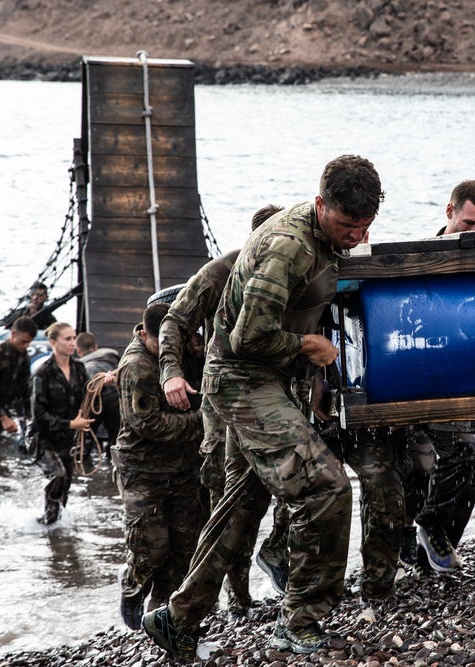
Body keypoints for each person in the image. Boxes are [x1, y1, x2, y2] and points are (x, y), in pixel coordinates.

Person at [142, 155, 384, 661]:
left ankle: (177, 617)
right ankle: (301, 619)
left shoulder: (324, 236)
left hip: (274, 381)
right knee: (327, 487)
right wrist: (307, 348)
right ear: (320, 205)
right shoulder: (288, 248)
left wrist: (312, 375)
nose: (356, 238)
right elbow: (247, 338)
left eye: (365, 227)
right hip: (242, 380)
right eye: (346, 226)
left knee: (244, 506)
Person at [158, 204, 282, 619]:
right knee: (226, 502)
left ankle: (272, 571)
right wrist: (171, 373)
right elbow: (174, 319)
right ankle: (237, 598)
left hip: (273, 399)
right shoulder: (221, 271)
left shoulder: (291, 266)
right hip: (222, 405)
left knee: (273, 493)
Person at [407, 180, 475, 573]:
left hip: (473, 375)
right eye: (469, 224)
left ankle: (439, 545)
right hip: (429, 377)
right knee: (457, 453)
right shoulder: (423, 256)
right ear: (449, 212)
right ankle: (424, 528)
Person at [114, 302, 205, 631]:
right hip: (142, 471)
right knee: (150, 547)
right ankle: (133, 591)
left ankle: (163, 615)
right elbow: (147, 423)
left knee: (184, 545)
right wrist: (203, 422)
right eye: (164, 342)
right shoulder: (137, 366)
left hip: (181, 468)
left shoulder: (178, 351)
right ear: (147, 334)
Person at [29, 322, 95, 525]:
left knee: (65, 488)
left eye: (74, 338)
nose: (72, 343)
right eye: (67, 339)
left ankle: (55, 534)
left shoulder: (79, 368)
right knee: (58, 475)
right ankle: (45, 522)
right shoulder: (43, 373)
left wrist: (104, 381)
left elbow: (89, 393)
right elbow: (38, 414)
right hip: (42, 437)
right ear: (53, 343)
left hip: (66, 439)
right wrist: (70, 424)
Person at [75, 331, 122, 450]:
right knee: (117, 439)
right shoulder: (111, 353)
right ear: (95, 347)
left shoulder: (79, 365)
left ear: (79, 351)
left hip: (93, 401)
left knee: (85, 439)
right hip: (115, 397)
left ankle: (83, 460)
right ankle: (112, 461)